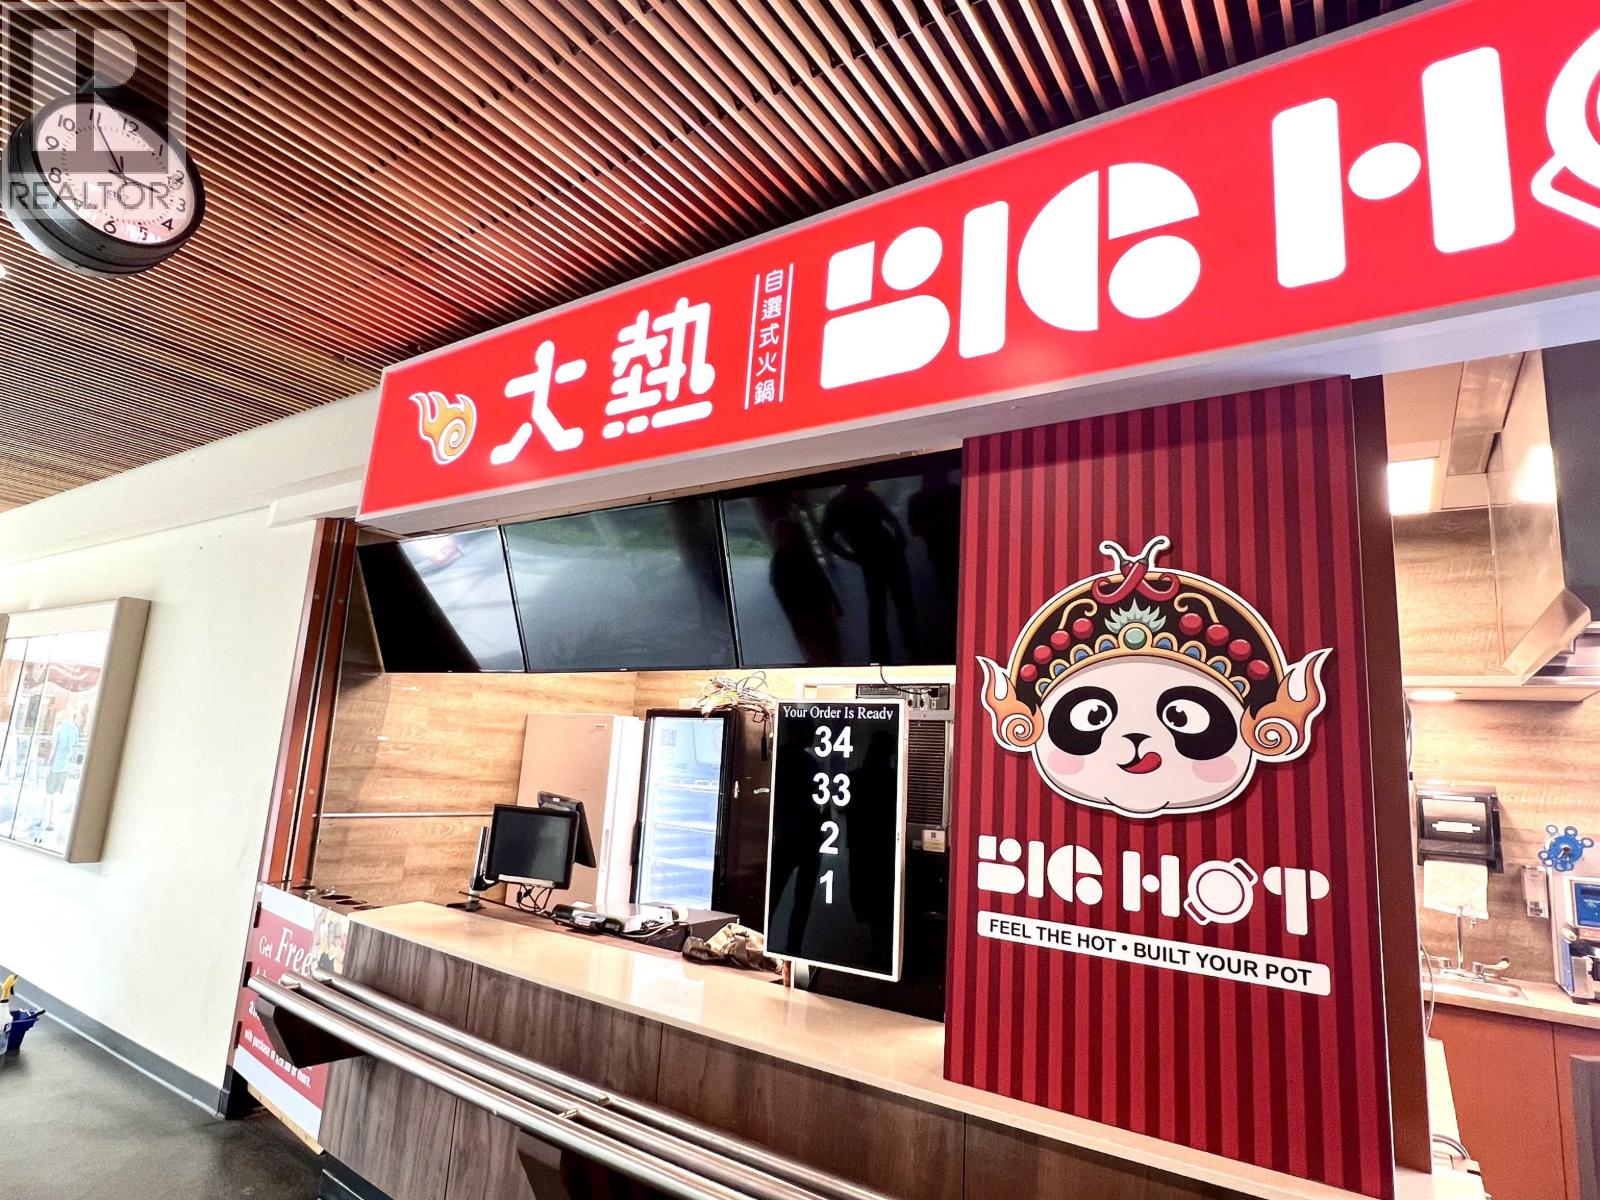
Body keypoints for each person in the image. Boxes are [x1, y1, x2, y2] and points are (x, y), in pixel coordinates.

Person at [45, 710, 81, 797]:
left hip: (56, 763)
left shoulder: (59, 728)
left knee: (51, 789)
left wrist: (49, 760)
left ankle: (51, 798)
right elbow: (75, 745)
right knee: (60, 789)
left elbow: (54, 744)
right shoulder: (74, 729)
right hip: (66, 764)